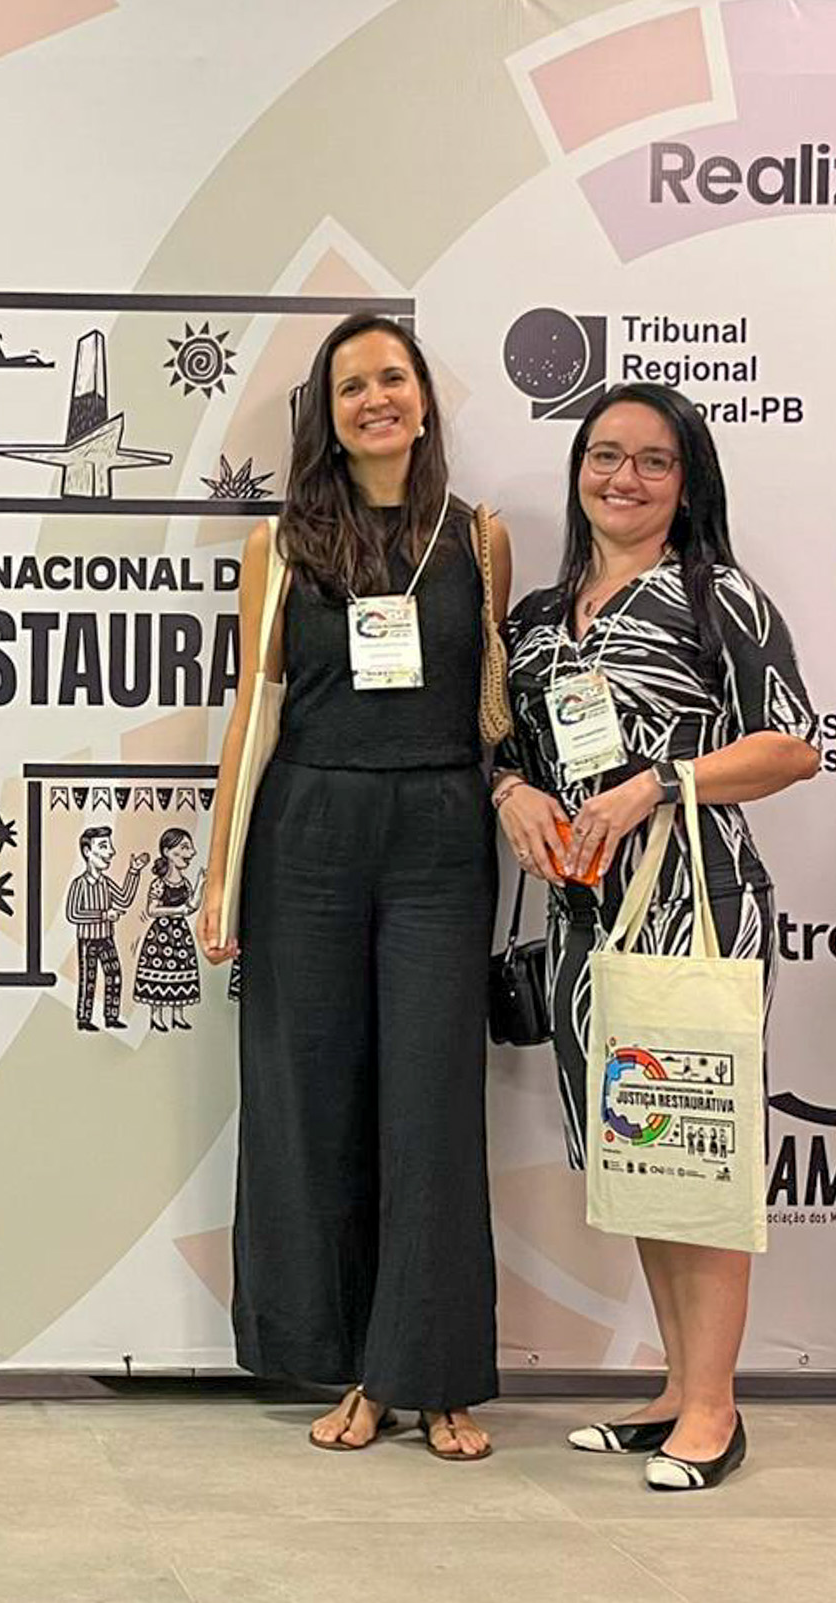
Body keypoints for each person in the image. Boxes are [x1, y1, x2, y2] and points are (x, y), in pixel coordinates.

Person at [197, 311, 509, 1461]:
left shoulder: (478, 539)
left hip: (435, 836)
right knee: (310, 1099)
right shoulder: (281, 548)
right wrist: (220, 879)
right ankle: (357, 1374)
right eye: (348, 388)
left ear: (422, 398)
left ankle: (431, 1376)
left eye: (390, 378)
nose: (373, 398)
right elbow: (255, 714)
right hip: (309, 836)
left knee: (429, 1106)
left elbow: (492, 718)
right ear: (325, 420)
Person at [493, 382, 817, 1491]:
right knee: (644, 1152)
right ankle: (677, 1386)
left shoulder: (712, 592)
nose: (621, 478)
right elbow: (497, 742)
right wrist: (508, 795)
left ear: (686, 484)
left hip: (692, 909)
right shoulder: (535, 617)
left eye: (651, 461)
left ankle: (716, 1411)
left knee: (700, 1152)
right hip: (585, 918)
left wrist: (658, 783)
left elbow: (793, 745)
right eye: (602, 455)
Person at [66, 827, 146, 1031]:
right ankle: (84, 1019)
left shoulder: (106, 883)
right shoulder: (79, 884)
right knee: (88, 979)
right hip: (88, 940)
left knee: (115, 975)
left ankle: (111, 1016)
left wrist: (134, 871)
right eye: (103, 846)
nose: (110, 851)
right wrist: (103, 915)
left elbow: (125, 899)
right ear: (87, 852)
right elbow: (73, 914)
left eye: (109, 846)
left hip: (106, 938)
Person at [133, 828, 202, 1032]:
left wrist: (201, 884)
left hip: (180, 934)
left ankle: (178, 1014)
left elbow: (191, 906)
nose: (191, 853)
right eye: (184, 848)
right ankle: (156, 1016)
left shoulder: (185, 883)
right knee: (159, 972)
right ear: (168, 852)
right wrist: (176, 910)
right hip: (162, 935)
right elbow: (151, 910)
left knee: (180, 972)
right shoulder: (159, 884)